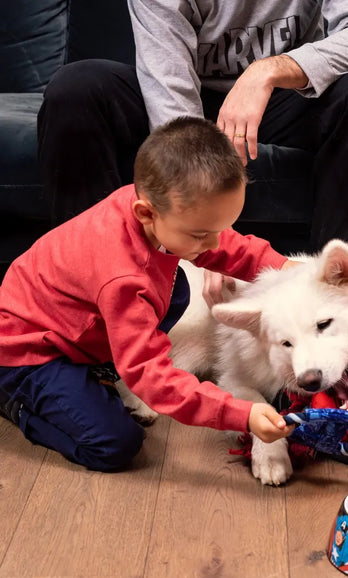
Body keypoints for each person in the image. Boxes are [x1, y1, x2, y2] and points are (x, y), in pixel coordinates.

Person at [0, 116, 295, 472]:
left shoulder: (148, 205)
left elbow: (226, 247)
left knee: (176, 288)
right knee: (113, 444)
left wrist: (288, 269)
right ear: (146, 213)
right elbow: (149, 375)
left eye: (221, 228)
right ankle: (13, 400)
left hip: (70, 318)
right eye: (202, 233)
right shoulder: (125, 278)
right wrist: (241, 413)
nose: (214, 244)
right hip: (26, 351)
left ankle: (98, 368)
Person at [37, 0, 348, 258]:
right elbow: (172, 101)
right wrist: (210, 242)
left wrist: (267, 71)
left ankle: (327, 295)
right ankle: (96, 286)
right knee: (76, 89)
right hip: (187, 93)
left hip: (279, 95)